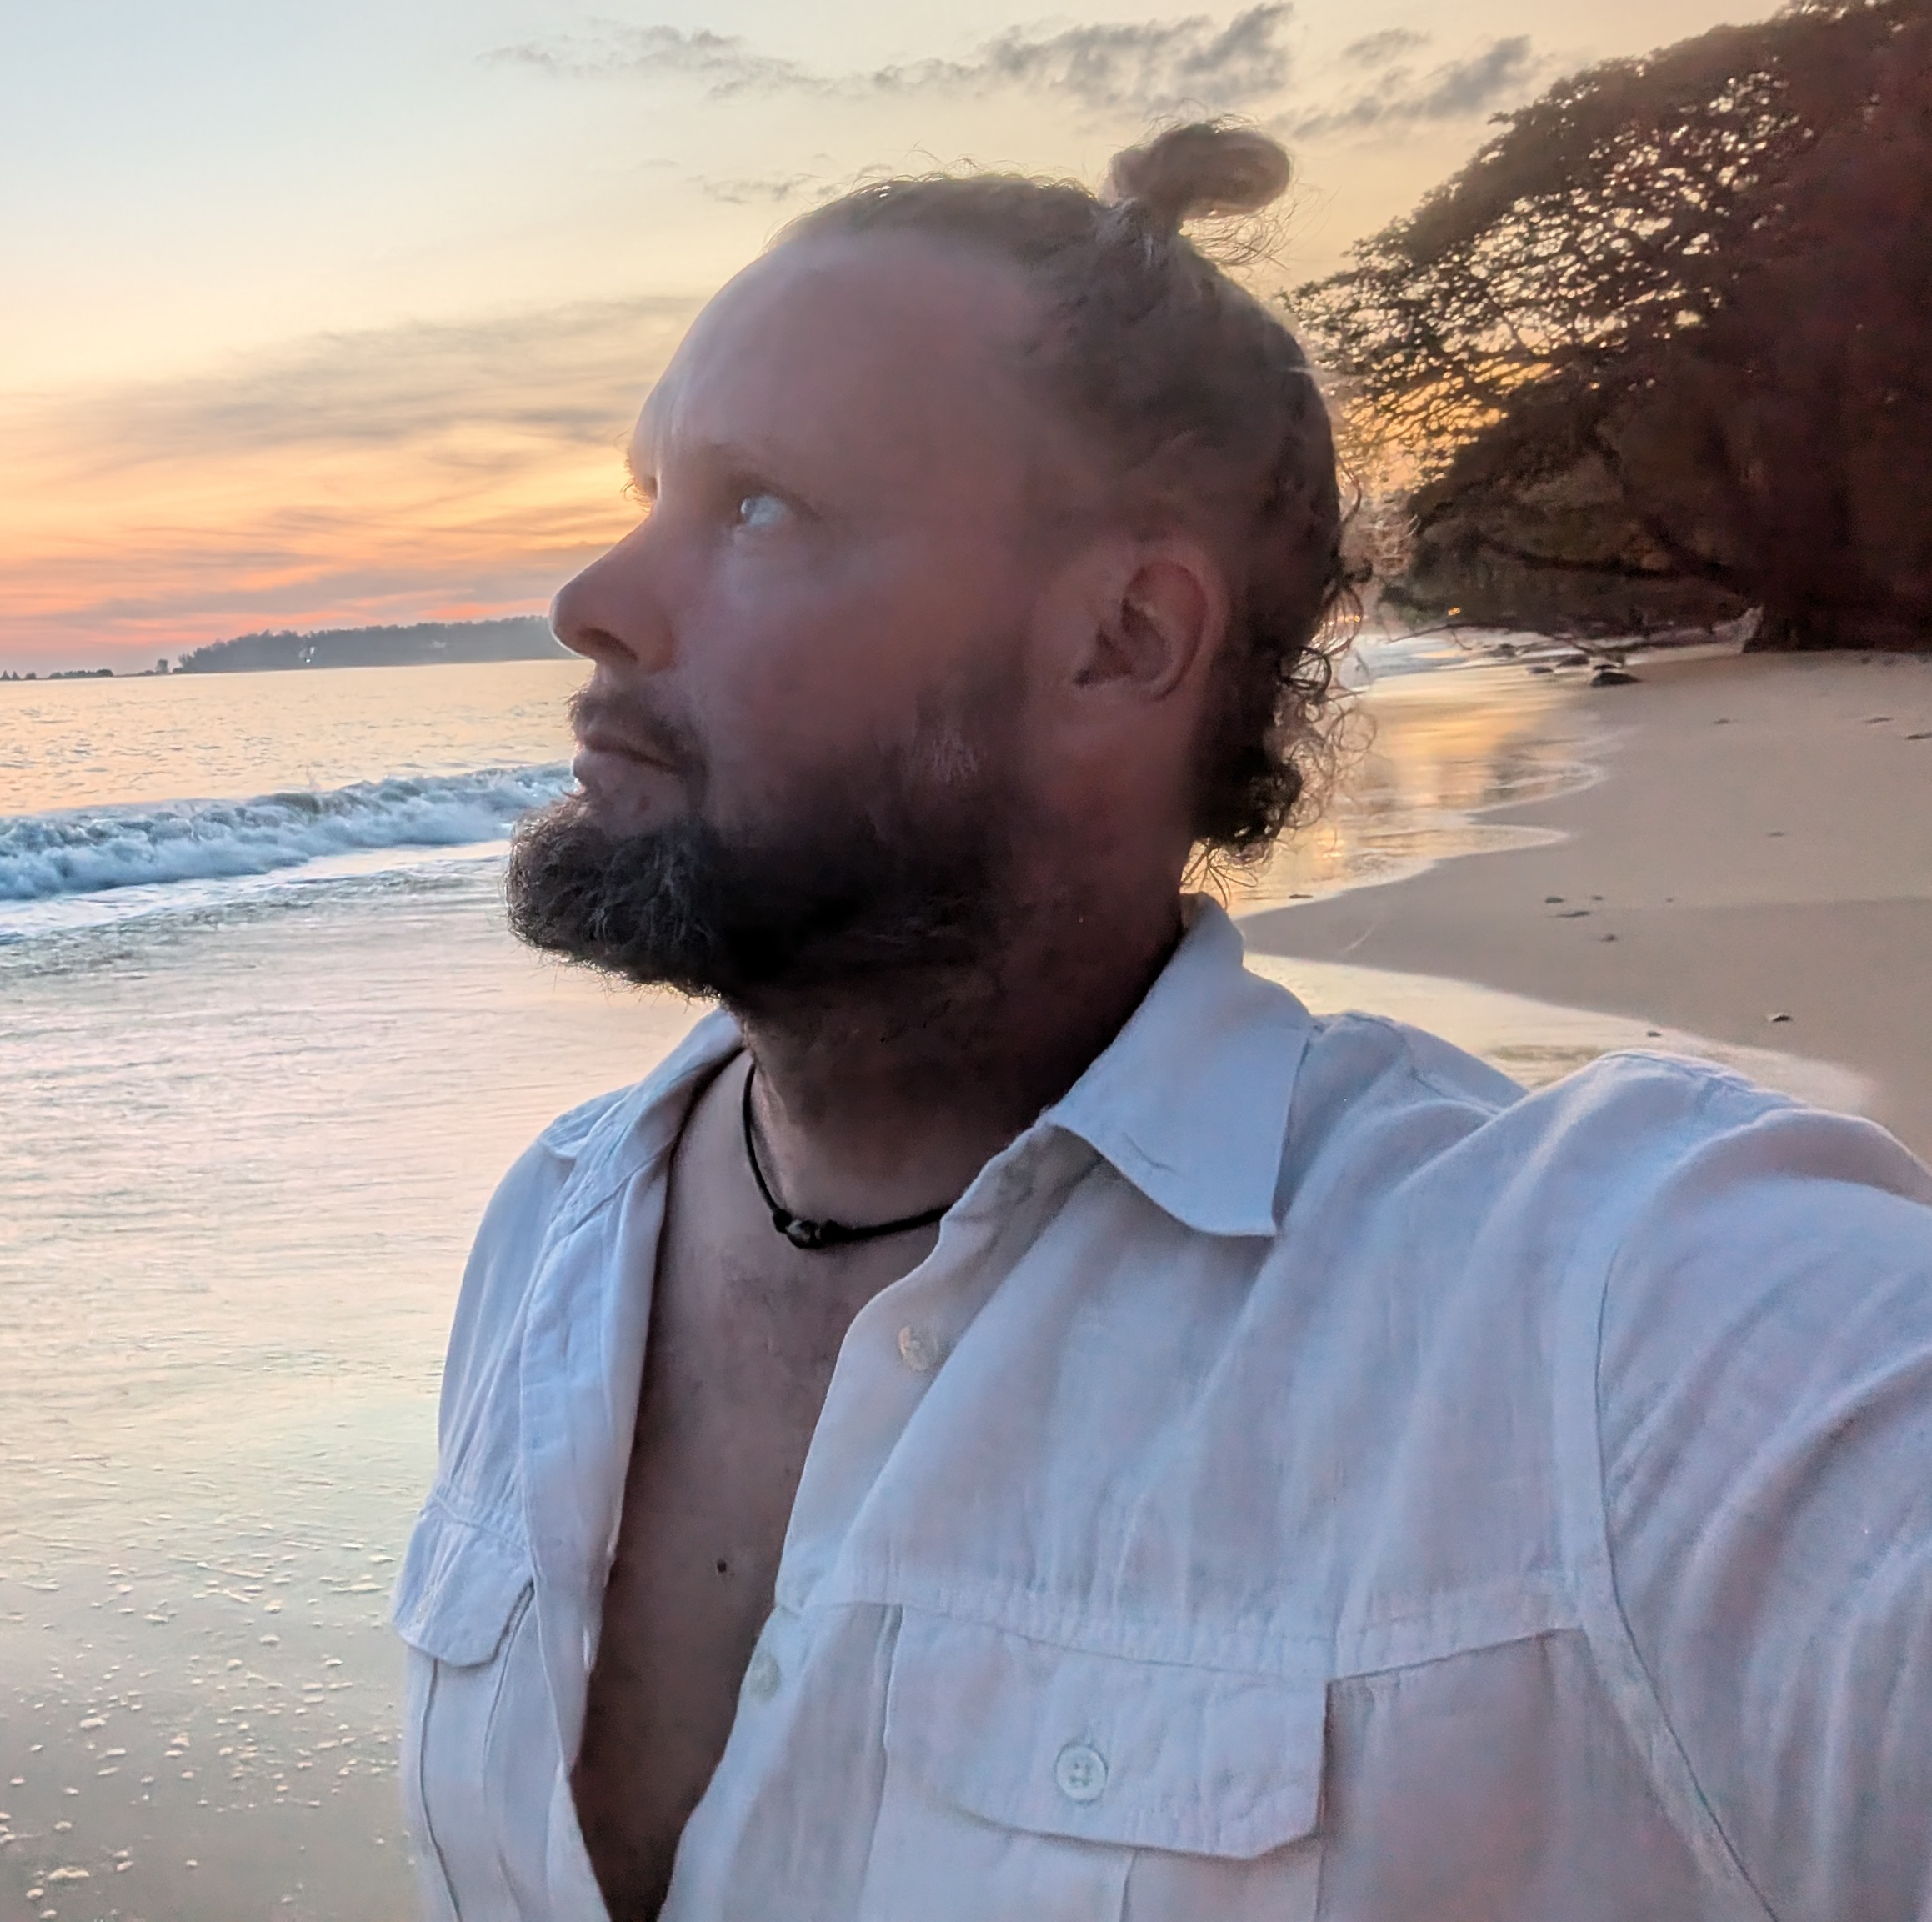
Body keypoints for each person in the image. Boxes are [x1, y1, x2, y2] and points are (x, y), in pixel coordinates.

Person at [397, 125, 1932, 1922]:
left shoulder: (1592, 1324)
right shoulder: (550, 1233)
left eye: (756, 510)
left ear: (1125, 639)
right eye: (653, 490)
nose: (590, 601)